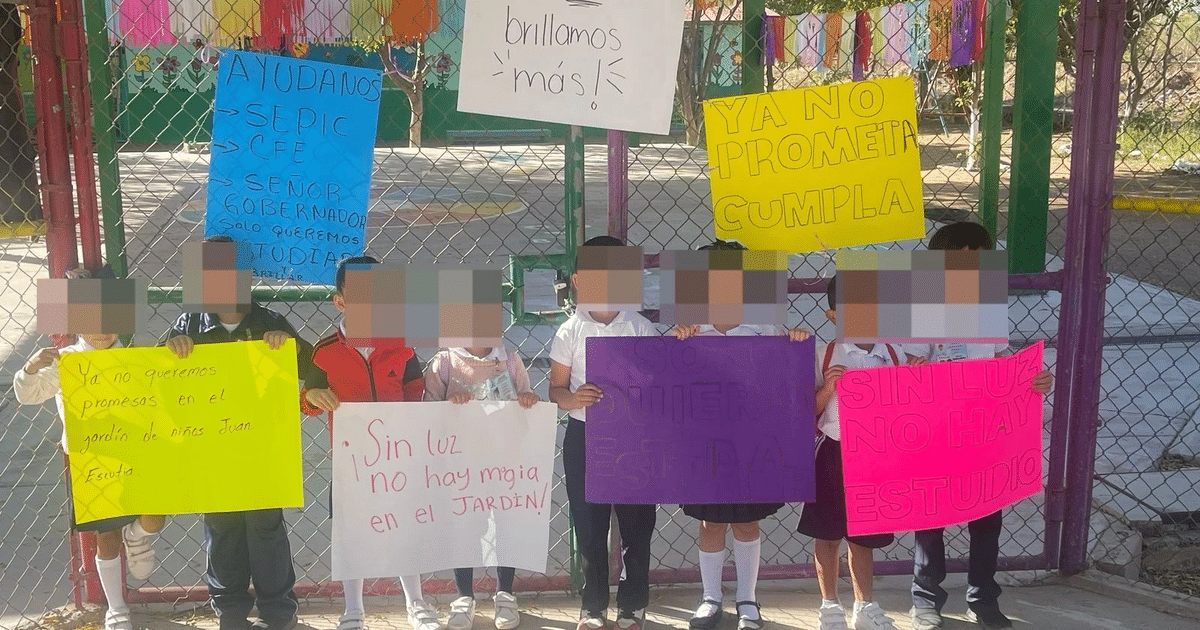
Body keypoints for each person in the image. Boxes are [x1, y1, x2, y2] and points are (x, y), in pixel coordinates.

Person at [904, 222, 1054, 630]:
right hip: (934, 427)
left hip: (981, 427)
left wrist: (1032, 378)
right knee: (930, 512)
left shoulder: (987, 304)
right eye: (961, 257)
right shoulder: (923, 303)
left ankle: (982, 597)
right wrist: (916, 369)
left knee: (987, 513)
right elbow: (906, 362)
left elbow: (1000, 358)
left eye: (979, 258)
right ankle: (926, 597)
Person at [164, 235, 314, 630]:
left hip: (261, 448)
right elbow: (164, 383)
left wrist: (288, 348)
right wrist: (173, 347)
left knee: (265, 526)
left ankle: (277, 609)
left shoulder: (268, 323)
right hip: (213, 449)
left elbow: (312, 370)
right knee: (222, 525)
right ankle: (230, 610)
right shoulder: (188, 325)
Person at [670, 239, 811, 630]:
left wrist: (794, 345)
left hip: (753, 445)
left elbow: (785, 379)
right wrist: (675, 345)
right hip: (707, 446)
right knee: (711, 523)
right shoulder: (688, 331)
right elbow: (667, 383)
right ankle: (710, 597)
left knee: (748, 523)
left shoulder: (766, 328)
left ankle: (748, 599)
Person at [299, 255, 441, 630]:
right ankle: (353, 609)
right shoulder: (325, 350)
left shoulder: (403, 344)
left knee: (403, 526)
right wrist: (313, 398)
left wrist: (414, 415)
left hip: (398, 456)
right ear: (341, 301)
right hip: (352, 462)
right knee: (352, 532)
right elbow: (307, 396)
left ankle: (416, 602)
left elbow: (414, 385)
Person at [15, 330, 165, 630]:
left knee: (155, 518)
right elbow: (27, 395)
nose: (101, 332)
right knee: (105, 537)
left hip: (136, 452)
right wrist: (30, 368)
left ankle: (135, 537)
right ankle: (116, 607)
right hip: (91, 460)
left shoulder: (137, 356)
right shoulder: (66, 360)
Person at [548, 235, 658, 630]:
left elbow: (658, 385)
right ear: (578, 280)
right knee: (590, 527)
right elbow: (555, 390)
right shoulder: (570, 331)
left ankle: (633, 606)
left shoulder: (641, 328)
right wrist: (573, 398)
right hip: (585, 438)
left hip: (634, 439)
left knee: (636, 527)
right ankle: (593, 607)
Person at [797, 276, 902, 630]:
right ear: (832, 316)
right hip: (834, 453)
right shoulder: (823, 354)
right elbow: (805, 410)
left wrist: (914, 377)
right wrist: (828, 387)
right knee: (827, 534)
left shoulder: (894, 354)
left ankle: (865, 606)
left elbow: (909, 406)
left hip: (876, 456)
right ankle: (829, 606)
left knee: (864, 537)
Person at [424, 341, 542, 630]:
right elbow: (427, 411)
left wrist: (527, 399)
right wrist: (450, 406)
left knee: (506, 522)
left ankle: (505, 594)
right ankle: (464, 596)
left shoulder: (511, 360)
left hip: (505, 460)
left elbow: (525, 401)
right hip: (460, 463)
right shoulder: (445, 363)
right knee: (464, 524)